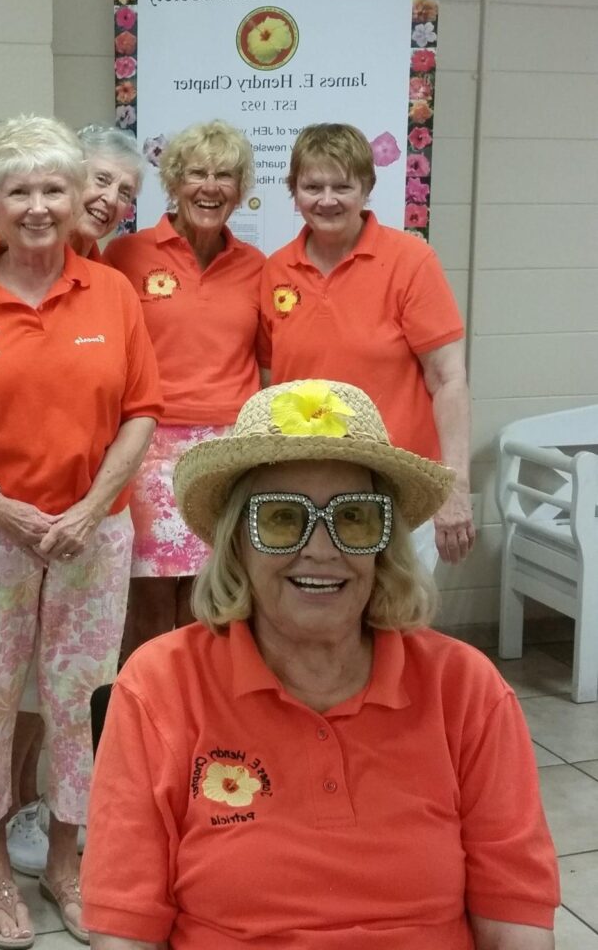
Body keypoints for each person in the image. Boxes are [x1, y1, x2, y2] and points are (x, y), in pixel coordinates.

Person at [82, 378, 560, 949]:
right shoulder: (158, 686)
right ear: (237, 541)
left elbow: (517, 924)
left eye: (354, 517)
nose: (321, 548)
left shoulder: (466, 689)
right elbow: (124, 932)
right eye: (283, 518)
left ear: (385, 543)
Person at [0, 114, 162, 948]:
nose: (40, 205)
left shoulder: (112, 293)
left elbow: (141, 412)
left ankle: (63, 861)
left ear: (77, 195)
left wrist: (90, 509)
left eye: (56, 188)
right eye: (20, 190)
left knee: (82, 700)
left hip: (92, 532)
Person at [0, 125, 145, 878]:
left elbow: (134, 400)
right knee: (17, 675)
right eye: (101, 180)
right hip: (1, 520)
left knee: (70, 675)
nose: (111, 200)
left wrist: (93, 506)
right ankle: (20, 798)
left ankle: (50, 808)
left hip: (89, 507)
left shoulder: (106, 275)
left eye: (127, 192)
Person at [260, 122, 474, 571]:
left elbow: (448, 378)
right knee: (319, 625)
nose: (327, 199)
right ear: (294, 191)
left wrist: (454, 488)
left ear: (367, 188)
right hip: (305, 489)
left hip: (399, 489)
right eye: (312, 185)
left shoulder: (411, 262)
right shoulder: (276, 269)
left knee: (398, 624)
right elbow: (268, 381)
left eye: (343, 185)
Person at [103, 120, 266, 662]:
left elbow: (267, 362)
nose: (210, 186)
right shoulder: (125, 256)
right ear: (173, 181)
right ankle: (148, 724)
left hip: (225, 454)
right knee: (148, 606)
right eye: (197, 173)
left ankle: (204, 723)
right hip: (145, 448)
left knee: (211, 603)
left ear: (240, 189)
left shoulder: (257, 267)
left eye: (225, 175)